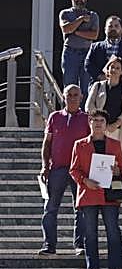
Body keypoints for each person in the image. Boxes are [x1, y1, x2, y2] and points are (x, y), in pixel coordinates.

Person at [70, 111, 122, 269]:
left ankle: (118, 268)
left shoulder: (115, 144)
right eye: (95, 120)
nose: (98, 124)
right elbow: (73, 169)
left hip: (109, 194)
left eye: (102, 121)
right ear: (90, 123)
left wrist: (118, 170)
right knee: (90, 233)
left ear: (106, 124)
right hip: (89, 193)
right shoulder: (79, 145)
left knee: (113, 232)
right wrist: (84, 180)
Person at [38, 85, 88, 256]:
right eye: (69, 95)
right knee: (50, 208)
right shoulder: (54, 117)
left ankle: (80, 244)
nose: (72, 98)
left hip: (79, 170)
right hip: (57, 169)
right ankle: (49, 245)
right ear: (64, 97)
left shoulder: (87, 119)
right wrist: (45, 166)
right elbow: (47, 143)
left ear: (81, 97)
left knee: (80, 209)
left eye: (76, 95)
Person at [84, 56, 122, 147]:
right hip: (99, 130)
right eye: (111, 67)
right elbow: (89, 106)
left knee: (117, 157)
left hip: (117, 130)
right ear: (107, 70)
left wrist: (115, 125)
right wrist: (101, 122)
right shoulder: (97, 86)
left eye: (117, 68)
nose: (114, 70)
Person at [60, 0, 99, 91]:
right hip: (70, 54)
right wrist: (81, 19)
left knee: (86, 87)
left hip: (87, 53)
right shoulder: (65, 13)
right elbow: (66, 29)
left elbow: (94, 35)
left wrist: (75, 32)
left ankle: (84, 108)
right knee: (69, 87)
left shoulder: (93, 15)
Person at [84, 15, 122, 87]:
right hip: (99, 86)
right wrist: (100, 76)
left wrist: (120, 78)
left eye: (116, 26)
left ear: (121, 29)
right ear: (105, 29)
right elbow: (88, 64)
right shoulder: (95, 47)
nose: (113, 28)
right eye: (110, 26)